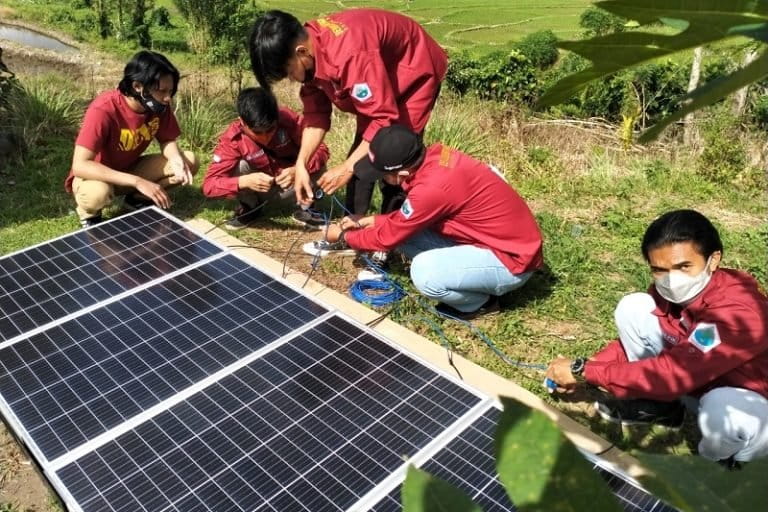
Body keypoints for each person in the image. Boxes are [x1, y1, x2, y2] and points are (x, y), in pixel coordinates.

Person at [545, 209, 768, 466]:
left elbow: (673, 374)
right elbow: (646, 344)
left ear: (713, 259)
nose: (672, 280)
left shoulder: (738, 314)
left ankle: (723, 462)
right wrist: (589, 365)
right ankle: (660, 405)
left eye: (684, 266)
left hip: (747, 397)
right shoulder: (674, 294)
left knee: (724, 415)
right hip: (693, 379)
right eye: (659, 270)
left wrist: (584, 370)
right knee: (633, 307)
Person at [318, 125, 543, 319]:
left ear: (402, 174)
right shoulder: (436, 158)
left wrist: (343, 236)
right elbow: (406, 221)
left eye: (382, 175)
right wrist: (373, 220)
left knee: (425, 273)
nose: (381, 180)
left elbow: (387, 238)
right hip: (493, 242)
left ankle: (480, 304)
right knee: (406, 235)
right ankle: (470, 277)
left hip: (511, 261)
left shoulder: (432, 188)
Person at [248, 8, 447, 219]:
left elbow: (382, 119)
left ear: (301, 52)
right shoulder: (312, 52)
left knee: (394, 158)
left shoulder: (350, 55)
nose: (291, 79)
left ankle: (391, 230)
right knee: (360, 159)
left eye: (289, 72)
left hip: (414, 71)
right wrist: (301, 164)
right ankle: (351, 225)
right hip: (377, 81)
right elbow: (316, 115)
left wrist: (347, 168)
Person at [66, 51, 197, 228]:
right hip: (97, 176)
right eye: (162, 91)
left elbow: (167, 140)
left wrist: (175, 158)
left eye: (170, 91)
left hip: (130, 169)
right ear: (137, 86)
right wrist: (138, 181)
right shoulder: (103, 110)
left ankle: (136, 199)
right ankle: (89, 214)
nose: (167, 98)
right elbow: (80, 165)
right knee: (97, 194)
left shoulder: (159, 106)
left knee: (189, 161)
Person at [202, 87, 330, 231]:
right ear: (242, 122)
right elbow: (209, 186)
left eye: (270, 129)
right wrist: (244, 182)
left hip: (294, 187)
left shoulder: (288, 119)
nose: (265, 136)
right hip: (261, 191)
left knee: (317, 163)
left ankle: (306, 209)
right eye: (257, 132)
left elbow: (322, 150)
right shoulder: (233, 139)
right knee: (240, 167)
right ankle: (250, 208)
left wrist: (298, 169)